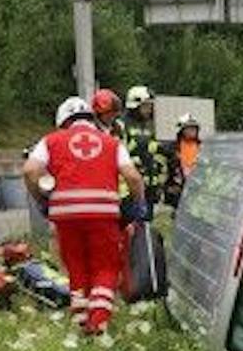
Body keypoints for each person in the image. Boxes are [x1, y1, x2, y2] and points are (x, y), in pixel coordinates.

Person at [23, 97, 146, 336]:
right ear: (91, 118)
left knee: (76, 270)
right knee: (106, 268)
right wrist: (137, 203)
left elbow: (29, 170)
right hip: (103, 214)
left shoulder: (50, 140)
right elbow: (133, 178)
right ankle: (97, 325)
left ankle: (81, 324)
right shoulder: (111, 143)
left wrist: (41, 200)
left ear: (62, 121)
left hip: (65, 215)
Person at [121, 84, 168, 208]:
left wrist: (158, 182)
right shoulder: (122, 125)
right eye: (146, 106)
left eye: (151, 106)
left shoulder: (150, 125)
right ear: (134, 105)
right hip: (129, 186)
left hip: (150, 184)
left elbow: (156, 154)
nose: (150, 109)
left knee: (146, 222)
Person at [162, 113, 203, 207]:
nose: (193, 131)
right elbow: (165, 168)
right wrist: (167, 186)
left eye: (194, 128)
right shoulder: (172, 148)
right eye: (189, 128)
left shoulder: (202, 147)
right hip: (177, 189)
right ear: (182, 130)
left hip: (197, 188)